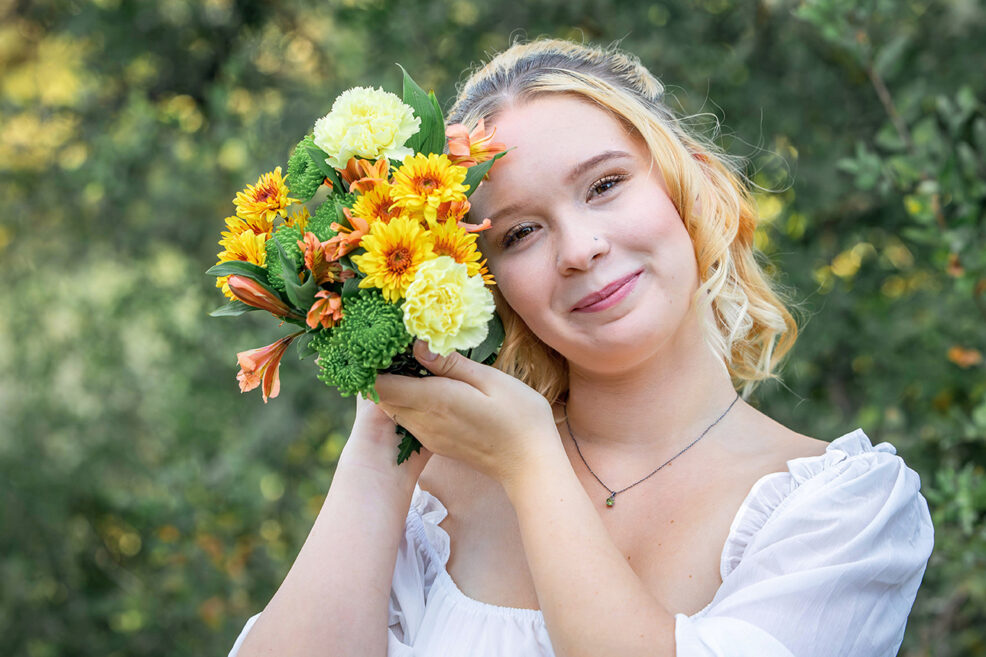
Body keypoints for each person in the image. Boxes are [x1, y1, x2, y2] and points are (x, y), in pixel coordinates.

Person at [228, 38, 934, 657]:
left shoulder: (844, 511)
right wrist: (381, 439)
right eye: (519, 234)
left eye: (605, 184)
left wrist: (533, 462)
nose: (580, 248)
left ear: (691, 185)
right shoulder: (430, 510)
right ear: (486, 282)